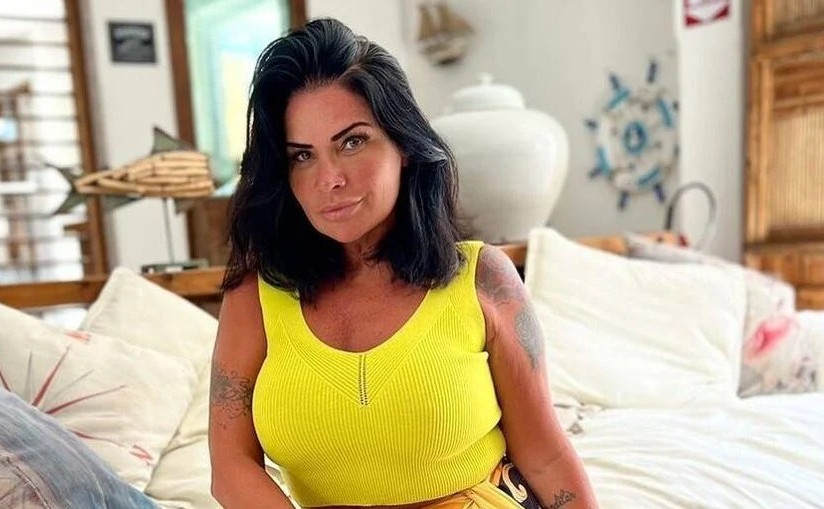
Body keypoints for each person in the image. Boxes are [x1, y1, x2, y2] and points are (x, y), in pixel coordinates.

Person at [209, 17, 598, 509]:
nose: (329, 179)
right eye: (302, 156)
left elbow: (546, 457)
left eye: (352, 142)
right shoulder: (257, 293)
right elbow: (231, 467)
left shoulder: (483, 278)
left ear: (405, 146)